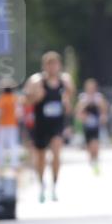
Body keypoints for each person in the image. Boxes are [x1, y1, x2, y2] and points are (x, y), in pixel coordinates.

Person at [24, 52, 75, 202]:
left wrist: (67, 103)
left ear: (59, 65)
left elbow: (70, 98)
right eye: (49, 64)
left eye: (55, 64)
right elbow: (25, 101)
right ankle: (41, 184)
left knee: (56, 152)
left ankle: (54, 185)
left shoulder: (64, 81)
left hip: (57, 124)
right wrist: (36, 97)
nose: (52, 67)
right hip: (40, 124)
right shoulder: (36, 81)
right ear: (44, 66)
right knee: (40, 157)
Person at [76, 78, 108, 174]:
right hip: (87, 126)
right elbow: (78, 113)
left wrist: (102, 118)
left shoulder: (99, 98)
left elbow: (104, 110)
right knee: (89, 146)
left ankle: (96, 161)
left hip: (96, 125)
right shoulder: (83, 98)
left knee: (95, 144)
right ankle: (92, 161)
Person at [0, 81, 20, 170]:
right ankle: (15, 163)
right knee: (13, 144)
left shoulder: (1, 99)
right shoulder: (15, 98)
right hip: (13, 124)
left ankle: (0, 162)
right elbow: (18, 113)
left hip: (2, 125)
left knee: (0, 144)